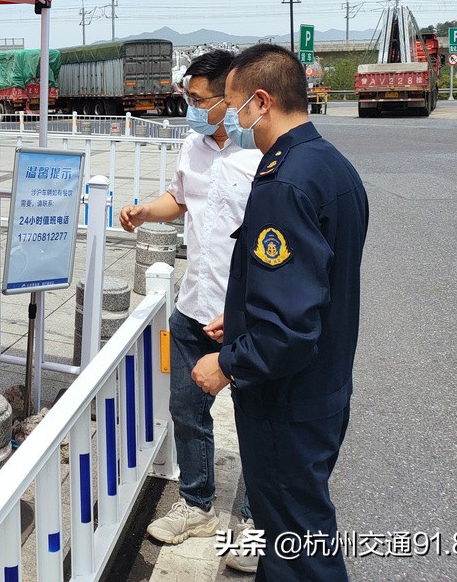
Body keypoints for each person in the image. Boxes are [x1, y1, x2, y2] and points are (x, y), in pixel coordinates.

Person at [192, 44, 368, 580]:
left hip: (287, 402)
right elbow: (315, 287)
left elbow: (288, 331)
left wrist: (227, 364)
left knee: (298, 547)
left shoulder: (282, 184)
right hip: (325, 387)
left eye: (233, 102)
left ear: (262, 102)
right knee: (296, 533)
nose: (228, 116)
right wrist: (243, 319)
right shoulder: (332, 166)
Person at [120, 49, 263, 572]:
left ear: (231, 96)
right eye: (189, 98)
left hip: (246, 313)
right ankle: (198, 502)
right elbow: (180, 199)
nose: (191, 108)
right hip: (194, 303)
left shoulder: (264, 153)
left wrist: (255, 313)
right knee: (186, 406)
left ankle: (255, 517)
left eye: (199, 99)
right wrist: (142, 210)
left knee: (255, 417)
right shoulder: (193, 144)